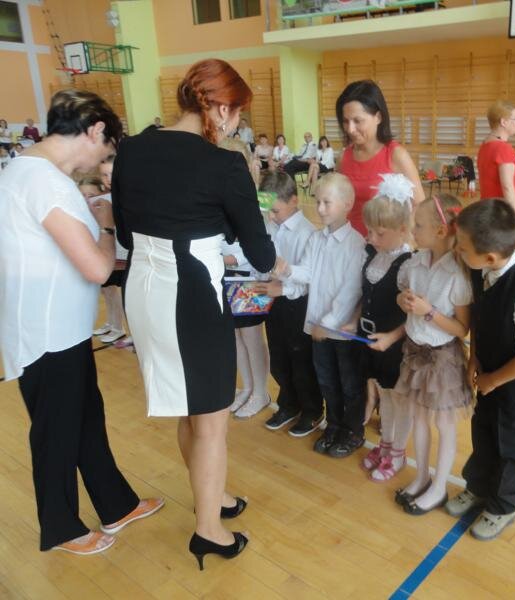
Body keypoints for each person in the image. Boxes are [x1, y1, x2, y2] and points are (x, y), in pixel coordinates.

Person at [111, 59, 276, 569]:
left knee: (190, 406)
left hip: (143, 289)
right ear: (221, 108)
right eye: (237, 114)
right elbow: (262, 254)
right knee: (211, 419)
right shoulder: (223, 164)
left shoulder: (132, 148)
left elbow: (124, 232)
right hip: (191, 295)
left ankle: (214, 496)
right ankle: (209, 531)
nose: (235, 125)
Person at [0, 89, 163, 556]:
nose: (101, 162)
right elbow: (96, 268)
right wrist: (107, 225)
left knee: (87, 418)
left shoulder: (29, 170)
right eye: (106, 150)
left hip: (63, 328)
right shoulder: (43, 181)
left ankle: (116, 503)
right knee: (56, 432)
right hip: (47, 332)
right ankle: (61, 527)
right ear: (95, 130)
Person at [450, 199, 515, 541]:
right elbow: (480, 319)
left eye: (462, 247)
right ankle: (479, 487)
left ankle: (503, 505)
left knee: (511, 443)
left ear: (491, 258)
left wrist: (493, 380)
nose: (457, 251)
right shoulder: (480, 269)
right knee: (484, 431)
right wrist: (474, 358)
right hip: (488, 373)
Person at [274, 173, 366, 458]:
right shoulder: (316, 238)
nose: (320, 208)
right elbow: (308, 272)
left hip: (340, 332)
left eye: (327, 202)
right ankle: (334, 425)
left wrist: (327, 323)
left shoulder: (356, 244)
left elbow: (351, 290)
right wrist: (288, 270)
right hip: (317, 329)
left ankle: (352, 431)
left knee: (349, 384)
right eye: (317, 202)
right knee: (326, 380)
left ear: (347, 204)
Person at [394, 193, 472, 515]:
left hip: (442, 360)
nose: (413, 231)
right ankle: (422, 476)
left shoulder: (457, 274)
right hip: (415, 353)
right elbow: (403, 293)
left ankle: (439, 486)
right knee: (419, 419)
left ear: (440, 231)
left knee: (443, 423)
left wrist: (428, 312)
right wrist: (403, 301)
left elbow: (461, 329)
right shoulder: (414, 262)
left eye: (418, 226)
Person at [254, 172, 325, 437]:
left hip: (297, 305)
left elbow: (309, 278)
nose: (271, 217)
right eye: (267, 211)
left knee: (301, 360)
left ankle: (312, 410)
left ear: (294, 200)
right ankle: (289, 404)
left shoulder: (308, 234)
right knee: (279, 358)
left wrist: (281, 288)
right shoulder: (270, 225)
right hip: (273, 301)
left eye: (275, 210)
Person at [358, 174, 414, 482]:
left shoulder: (407, 264)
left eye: (379, 233)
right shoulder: (376, 257)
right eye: (369, 231)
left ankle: (398, 452)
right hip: (373, 341)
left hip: (395, 346)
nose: (371, 239)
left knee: (399, 398)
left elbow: (413, 316)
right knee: (385, 395)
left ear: (403, 229)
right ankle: (387, 444)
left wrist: (392, 338)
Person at [336, 79, 424, 236]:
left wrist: (399, 237)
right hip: (350, 242)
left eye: (357, 121)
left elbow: (419, 206)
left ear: (378, 117)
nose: (350, 129)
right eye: (345, 122)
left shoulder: (396, 155)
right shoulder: (343, 158)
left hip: (383, 246)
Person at [222, 238, 273, 420]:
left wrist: (217, 257)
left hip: (252, 281)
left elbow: (256, 245)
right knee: (236, 337)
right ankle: (248, 388)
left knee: (252, 339)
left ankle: (260, 393)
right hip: (228, 278)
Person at [78, 175, 127, 345]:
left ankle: (118, 328)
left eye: (91, 195)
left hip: (113, 255)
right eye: (83, 195)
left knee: (113, 292)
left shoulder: (106, 207)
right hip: (99, 253)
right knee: (106, 292)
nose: (87, 199)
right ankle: (111, 323)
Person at [477, 100, 515, 213]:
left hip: (487, 209)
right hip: (500, 213)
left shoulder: (485, 145)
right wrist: (514, 215)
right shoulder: (503, 148)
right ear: (503, 122)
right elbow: (507, 187)